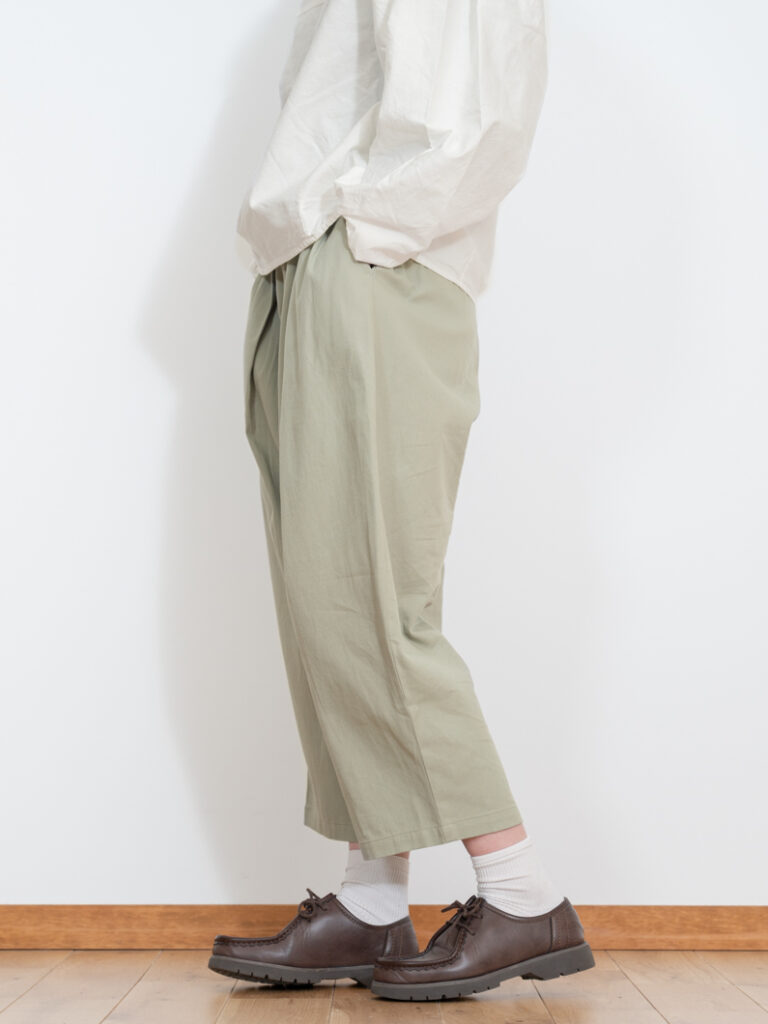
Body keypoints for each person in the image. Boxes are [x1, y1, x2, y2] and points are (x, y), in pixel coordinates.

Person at [209, 0, 594, 1001]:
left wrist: (360, 231)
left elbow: (477, 123)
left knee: (373, 608)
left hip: (371, 271)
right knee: (327, 606)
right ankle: (374, 900)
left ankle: (521, 888)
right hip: (320, 262)